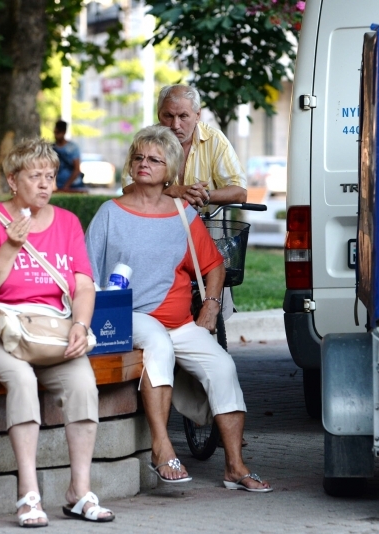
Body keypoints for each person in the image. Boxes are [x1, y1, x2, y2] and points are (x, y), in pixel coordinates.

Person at [85, 125, 272, 492]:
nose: (144, 164)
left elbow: (214, 265)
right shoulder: (110, 213)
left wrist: (211, 307)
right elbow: (86, 272)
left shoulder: (182, 213)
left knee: (222, 366)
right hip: (131, 317)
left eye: (154, 159)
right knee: (157, 343)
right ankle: (162, 447)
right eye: (138, 157)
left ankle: (234, 466)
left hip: (180, 322)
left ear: (170, 170)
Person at [0, 138, 113, 526]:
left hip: (49, 329)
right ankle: (28, 494)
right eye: (36, 176)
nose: (46, 184)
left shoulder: (67, 222)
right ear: (13, 181)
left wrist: (80, 324)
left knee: (83, 381)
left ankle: (79, 492)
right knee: (21, 379)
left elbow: (82, 285)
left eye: (50, 176)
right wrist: (12, 245)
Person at [122, 84, 248, 207]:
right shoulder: (145, 140)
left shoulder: (215, 139)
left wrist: (201, 195)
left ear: (198, 115)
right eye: (168, 116)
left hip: (205, 225)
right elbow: (128, 188)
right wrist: (174, 190)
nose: (175, 125)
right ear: (158, 114)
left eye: (183, 116)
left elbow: (240, 193)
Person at [52, 120, 82, 191]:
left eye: (58, 133)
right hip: (57, 185)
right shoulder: (52, 147)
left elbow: (76, 169)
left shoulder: (72, 147)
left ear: (64, 132)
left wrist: (66, 186)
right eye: (55, 133)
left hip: (73, 185)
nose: (56, 135)